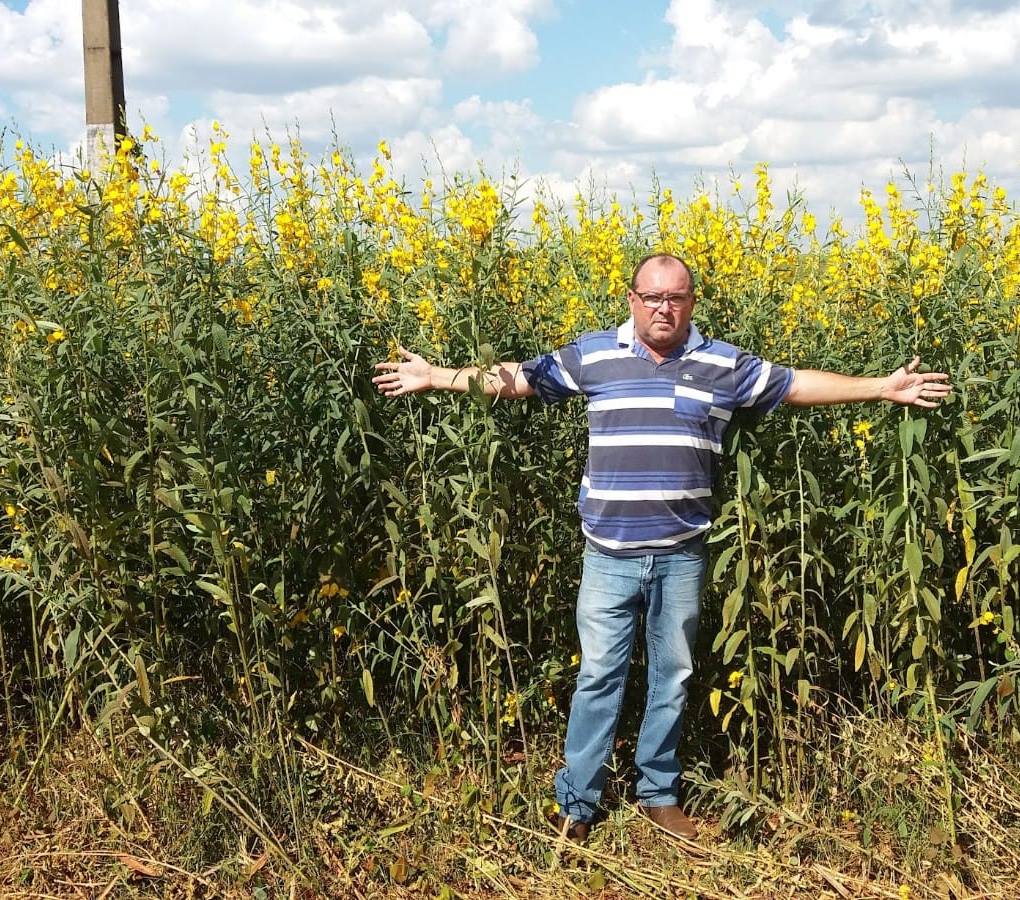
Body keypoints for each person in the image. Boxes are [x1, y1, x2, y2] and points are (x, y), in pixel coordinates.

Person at [373, 252, 953, 843]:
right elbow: (518, 377)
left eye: (675, 297)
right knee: (598, 676)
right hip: (608, 554)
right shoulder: (595, 355)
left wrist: (883, 388)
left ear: (691, 303)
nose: (663, 308)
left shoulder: (723, 364)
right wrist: (436, 376)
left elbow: (796, 384)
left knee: (672, 676)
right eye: (652, 297)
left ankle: (658, 792)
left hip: (681, 554)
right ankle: (578, 802)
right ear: (632, 300)